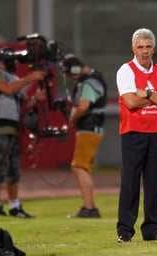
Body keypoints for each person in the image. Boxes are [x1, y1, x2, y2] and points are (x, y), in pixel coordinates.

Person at [116, 28, 157, 242]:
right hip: (133, 132)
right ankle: (125, 231)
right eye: (140, 47)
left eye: (148, 46)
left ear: (154, 48)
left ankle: (151, 230)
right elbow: (130, 102)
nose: (144, 51)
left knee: (153, 183)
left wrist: (146, 93)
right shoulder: (125, 70)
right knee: (130, 182)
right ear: (133, 48)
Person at [0, 47, 46, 218]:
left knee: (13, 170)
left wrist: (34, 100)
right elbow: (8, 90)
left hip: (13, 130)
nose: (16, 65)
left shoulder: (15, 79)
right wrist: (31, 78)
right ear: (4, 61)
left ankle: (14, 206)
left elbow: (22, 104)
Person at [59, 54, 107, 218]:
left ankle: (89, 208)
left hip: (88, 128)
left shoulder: (89, 82)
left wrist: (72, 120)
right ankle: (90, 207)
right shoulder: (93, 78)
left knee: (79, 167)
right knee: (82, 167)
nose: (70, 78)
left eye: (69, 74)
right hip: (91, 128)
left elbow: (83, 106)